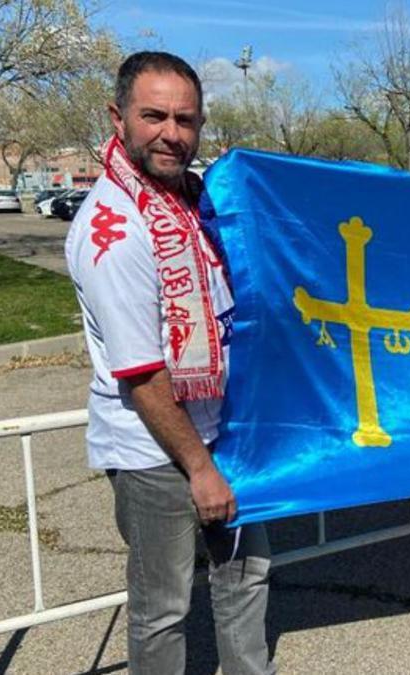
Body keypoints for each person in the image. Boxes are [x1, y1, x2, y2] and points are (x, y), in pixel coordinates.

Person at [64, 51, 275, 675]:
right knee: (163, 607)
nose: (172, 134)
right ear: (118, 116)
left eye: (186, 120)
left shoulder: (192, 200)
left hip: (222, 435)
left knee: (246, 578)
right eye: (154, 116)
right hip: (159, 453)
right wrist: (200, 470)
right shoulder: (117, 231)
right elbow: (142, 374)